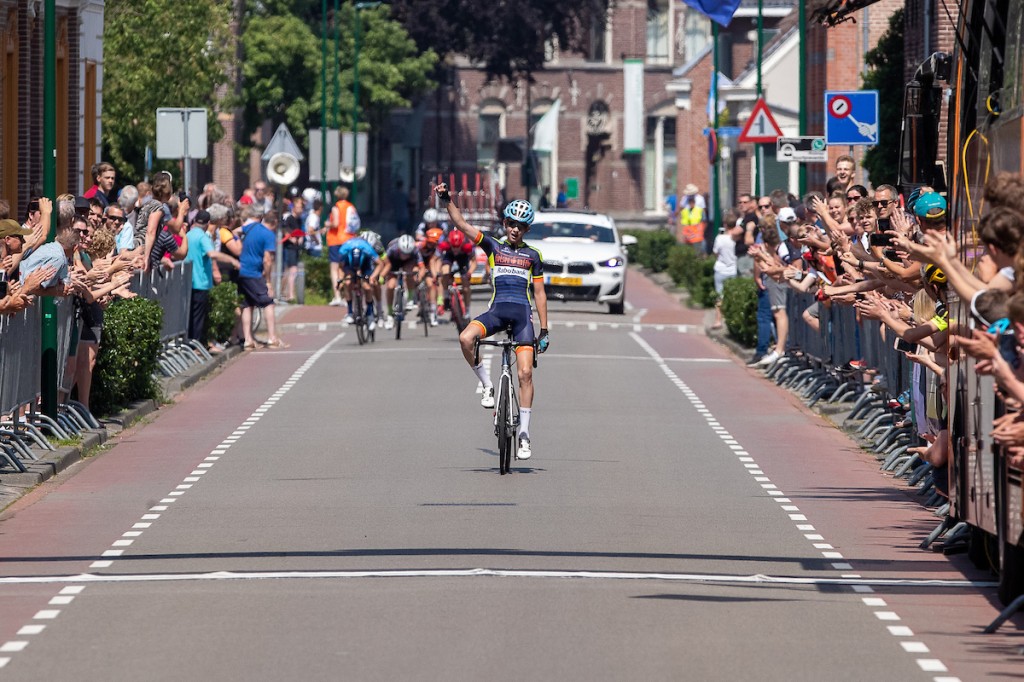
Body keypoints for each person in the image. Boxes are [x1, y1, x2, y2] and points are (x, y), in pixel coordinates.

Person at [435, 182, 549, 460]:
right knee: (465, 338)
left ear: (527, 230)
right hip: (496, 313)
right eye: (511, 223)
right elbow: (461, 224)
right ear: (505, 222)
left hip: (523, 318)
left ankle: (524, 434)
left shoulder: (533, 256)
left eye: (521, 227)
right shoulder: (493, 247)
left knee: (525, 374)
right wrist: (447, 200)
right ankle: (487, 384)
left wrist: (544, 330)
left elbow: (540, 294)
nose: (515, 229)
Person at [186, 209, 240, 349]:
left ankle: (192, 344)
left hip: (188, 281)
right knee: (198, 317)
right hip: (200, 281)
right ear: (208, 223)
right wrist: (232, 261)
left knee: (190, 316)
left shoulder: (189, 235)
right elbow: (212, 253)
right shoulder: (203, 237)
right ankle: (196, 346)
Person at [237, 205, 287, 349]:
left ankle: (248, 339)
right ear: (275, 223)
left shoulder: (251, 227)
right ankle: (272, 337)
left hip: (242, 270)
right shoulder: (268, 235)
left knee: (247, 305)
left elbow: (235, 231)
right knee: (268, 302)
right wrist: (268, 281)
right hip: (254, 273)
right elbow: (267, 260)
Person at [377, 234, 425, 329]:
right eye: (403, 253)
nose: (405, 255)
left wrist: (419, 279)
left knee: (410, 272)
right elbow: (384, 264)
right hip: (393, 263)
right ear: (399, 249)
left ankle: (410, 299)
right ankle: (390, 313)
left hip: (408, 264)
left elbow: (422, 267)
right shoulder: (392, 249)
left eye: (407, 253)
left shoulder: (415, 250)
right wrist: (381, 277)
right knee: (390, 286)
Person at [325, 185, 361, 305]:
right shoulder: (351, 206)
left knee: (334, 269)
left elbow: (335, 223)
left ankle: (337, 296)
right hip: (349, 239)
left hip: (336, 240)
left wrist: (327, 224)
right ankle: (348, 296)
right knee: (347, 268)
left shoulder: (336, 207)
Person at [338, 236, 380, 330]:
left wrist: (373, 277)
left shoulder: (367, 249)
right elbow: (340, 267)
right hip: (349, 265)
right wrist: (340, 279)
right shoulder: (343, 250)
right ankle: (349, 312)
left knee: (367, 287)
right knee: (348, 283)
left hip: (365, 264)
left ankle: (370, 315)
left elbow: (380, 264)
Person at [711, 221, 742, 329]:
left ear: (725, 225)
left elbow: (715, 252)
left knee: (719, 296)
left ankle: (718, 320)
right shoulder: (736, 239)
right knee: (733, 295)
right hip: (733, 269)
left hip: (720, 269)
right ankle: (733, 321)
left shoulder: (720, 238)